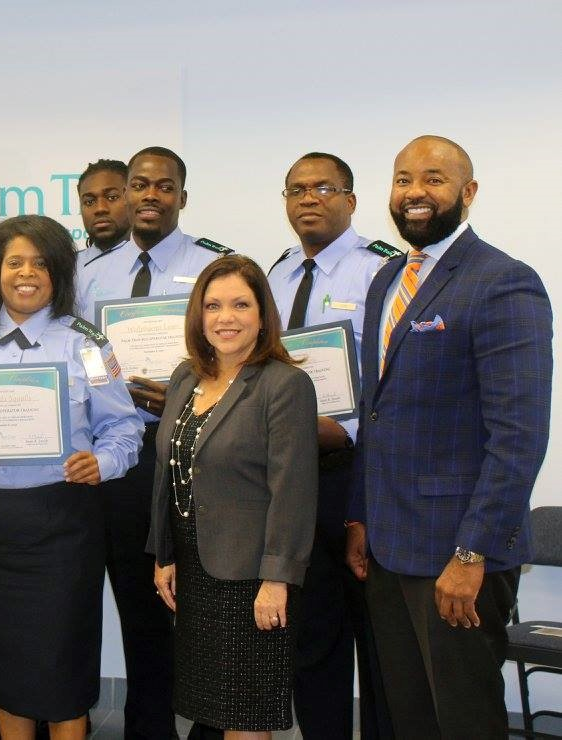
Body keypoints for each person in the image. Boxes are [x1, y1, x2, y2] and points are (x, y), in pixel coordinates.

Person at [345, 135, 552, 738]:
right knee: (409, 717)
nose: (415, 192)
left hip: (456, 556)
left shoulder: (504, 282)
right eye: (404, 178)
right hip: (387, 545)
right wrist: (359, 516)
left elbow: (518, 436)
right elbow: (374, 413)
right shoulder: (387, 279)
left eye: (433, 179)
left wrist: (471, 554)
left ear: (469, 192)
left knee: (462, 720)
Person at [0, 215, 143, 740]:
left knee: (62, 662)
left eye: (40, 263)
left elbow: (124, 427)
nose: (27, 274)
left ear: (59, 273)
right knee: (2, 666)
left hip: (61, 525)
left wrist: (103, 463)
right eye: (14, 262)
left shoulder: (87, 346)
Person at [74, 146, 230, 740]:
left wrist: (190, 393)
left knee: (208, 600)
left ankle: (213, 723)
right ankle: (149, 729)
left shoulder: (215, 267)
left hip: (198, 451)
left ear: (182, 198)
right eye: (139, 185)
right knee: (141, 608)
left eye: (165, 187)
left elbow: (239, 357)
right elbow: (81, 361)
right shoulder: (92, 274)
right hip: (125, 456)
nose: (150, 196)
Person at [150, 254, 318, 739]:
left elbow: (294, 491)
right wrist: (164, 554)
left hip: (249, 577)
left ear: (263, 314)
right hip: (194, 569)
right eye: (214, 306)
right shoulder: (186, 378)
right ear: (198, 316)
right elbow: (170, 471)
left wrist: (277, 581)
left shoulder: (284, 386)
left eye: (241, 305)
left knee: (245, 716)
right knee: (212, 707)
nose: (226, 318)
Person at [266, 152, 396, 739]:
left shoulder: (384, 272)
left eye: (323, 187)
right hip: (293, 479)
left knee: (379, 641)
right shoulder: (276, 273)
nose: (308, 198)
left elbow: (396, 380)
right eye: (297, 189)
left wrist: (347, 432)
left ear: (350, 199)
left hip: (359, 474)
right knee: (311, 635)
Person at [74, 159, 130, 265]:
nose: (100, 208)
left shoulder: (151, 261)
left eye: (112, 197)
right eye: (89, 202)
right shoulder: (68, 268)